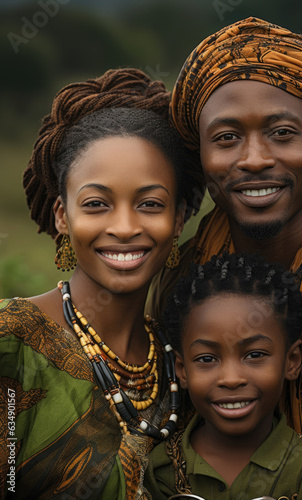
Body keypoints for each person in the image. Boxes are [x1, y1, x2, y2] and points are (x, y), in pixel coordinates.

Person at [147, 17, 302, 500]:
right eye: (225, 138)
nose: (255, 158)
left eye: (282, 132)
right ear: (200, 154)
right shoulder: (175, 280)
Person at [0, 68, 204, 498]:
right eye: (97, 204)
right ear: (61, 215)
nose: (125, 227)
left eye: (150, 204)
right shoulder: (11, 342)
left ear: (180, 217)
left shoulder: (185, 364)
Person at [145, 253, 302, 499]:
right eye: (207, 359)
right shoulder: (160, 469)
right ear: (182, 369)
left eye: (255, 355)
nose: (230, 379)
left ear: (291, 361)